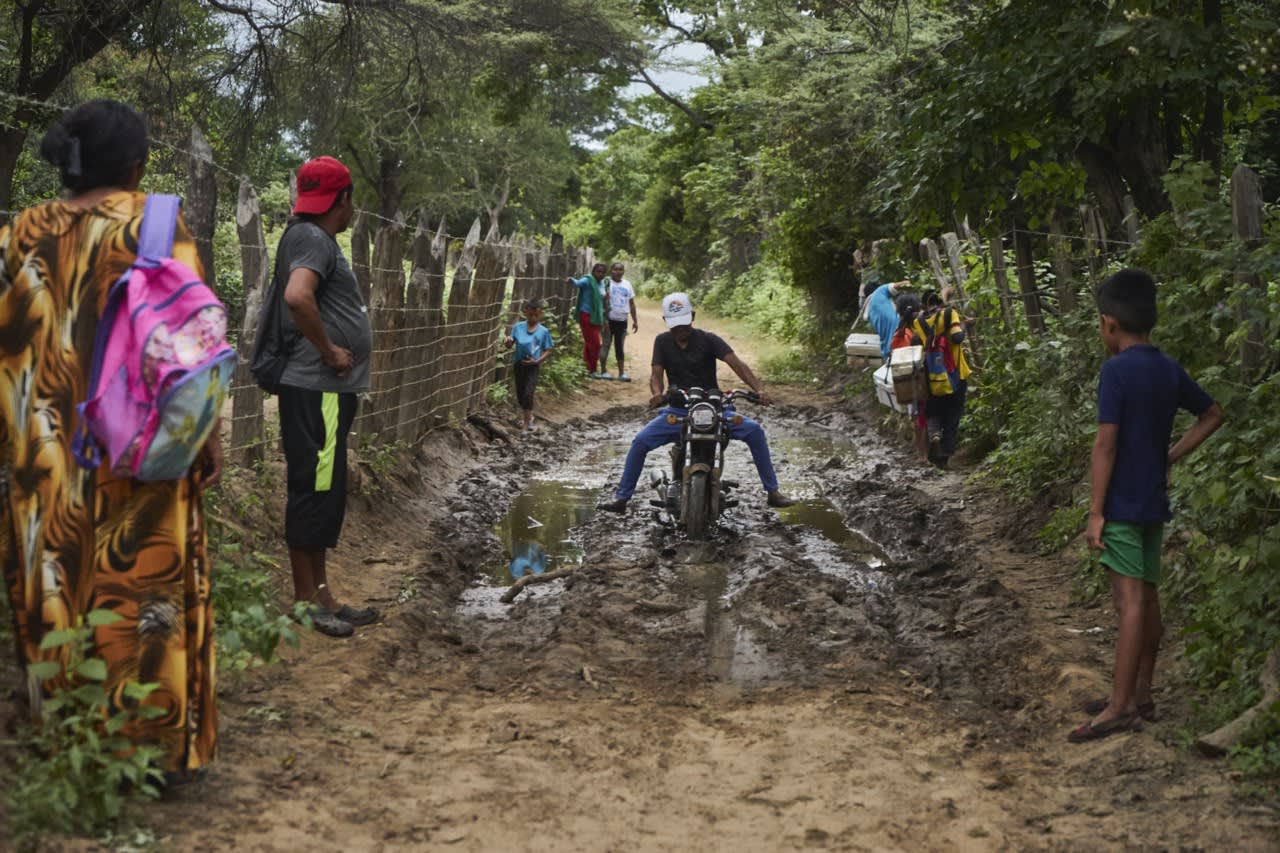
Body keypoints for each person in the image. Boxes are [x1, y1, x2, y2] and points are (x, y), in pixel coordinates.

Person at [0, 100, 221, 779]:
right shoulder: (155, 222)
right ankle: (149, 747)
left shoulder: (20, 230)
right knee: (142, 584)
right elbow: (188, 352)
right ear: (136, 164)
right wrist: (205, 437)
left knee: (51, 577)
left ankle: (67, 741)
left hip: (40, 444)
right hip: (137, 446)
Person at [1070, 269, 1223, 742]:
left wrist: (1096, 513)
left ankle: (1119, 708)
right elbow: (1212, 413)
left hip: (1120, 504)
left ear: (1109, 323)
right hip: (1154, 501)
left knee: (1129, 602)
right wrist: (1171, 455)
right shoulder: (1167, 367)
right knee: (1148, 597)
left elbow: (1106, 446)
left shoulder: (1115, 371)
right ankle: (1141, 692)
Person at [271, 156, 377, 638]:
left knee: (323, 488)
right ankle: (303, 601)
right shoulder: (313, 239)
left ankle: (321, 595)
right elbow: (298, 297)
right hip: (319, 390)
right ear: (345, 199)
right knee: (314, 491)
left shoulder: (307, 236)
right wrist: (331, 350)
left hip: (321, 392)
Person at [596, 292, 795, 512]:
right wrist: (657, 393)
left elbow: (736, 364)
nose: (679, 329)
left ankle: (773, 492)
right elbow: (656, 374)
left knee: (754, 430)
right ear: (665, 322)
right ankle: (622, 498)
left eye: (683, 323)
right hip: (678, 410)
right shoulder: (662, 341)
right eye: (674, 325)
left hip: (714, 408)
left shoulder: (709, 340)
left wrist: (759, 390)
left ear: (691, 316)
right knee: (641, 441)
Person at [911, 289, 971, 467]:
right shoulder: (949, 314)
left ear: (923, 305)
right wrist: (965, 326)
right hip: (955, 374)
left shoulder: (919, 322)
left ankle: (934, 434)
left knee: (933, 410)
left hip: (932, 376)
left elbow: (919, 342)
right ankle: (945, 454)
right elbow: (957, 337)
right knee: (953, 414)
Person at [504, 298, 554, 431]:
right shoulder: (518, 327)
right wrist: (507, 341)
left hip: (533, 366)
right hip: (519, 364)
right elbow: (510, 344)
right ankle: (529, 416)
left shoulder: (543, 331)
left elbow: (548, 349)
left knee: (528, 393)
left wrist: (538, 361)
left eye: (536, 315)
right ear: (525, 313)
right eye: (530, 314)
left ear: (540, 314)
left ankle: (526, 423)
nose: (533, 317)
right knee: (520, 394)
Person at [890, 293, 929, 462]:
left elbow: (894, 354)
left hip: (909, 382)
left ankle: (921, 454)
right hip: (926, 378)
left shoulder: (900, 333)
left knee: (917, 419)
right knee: (927, 416)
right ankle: (927, 453)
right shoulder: (922, 326)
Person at [599, 261, 638, 381]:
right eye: (615, 269)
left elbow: (631, 303)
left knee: (620, 346)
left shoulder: (627, 284)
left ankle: (621, 374)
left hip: (622, 320)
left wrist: (635, 320)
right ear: (611, 271)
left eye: (620, 269)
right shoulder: (605, 283)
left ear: (623, 272)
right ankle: (603, 371)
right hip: (608, 320)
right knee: (606, 345)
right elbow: (599, 300)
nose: (618, 272)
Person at [568, 262, 607, 377]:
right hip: (586, 315)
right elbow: (577, 283)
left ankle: (586, 367)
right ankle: (593, 370)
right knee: (595, 343)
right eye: (598, 272)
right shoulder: (588, 280)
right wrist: (571, 280)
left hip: (597, 317)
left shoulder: (602, 283)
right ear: (593, 272)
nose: (600, 274)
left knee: (590, 342)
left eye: (603, 272)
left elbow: (601, 299)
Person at [862, 278, 912, 359]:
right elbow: (897, 285)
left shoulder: (872, 311)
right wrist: (908, 282)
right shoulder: (879, 292)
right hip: (900, 343)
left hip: (888, 350)